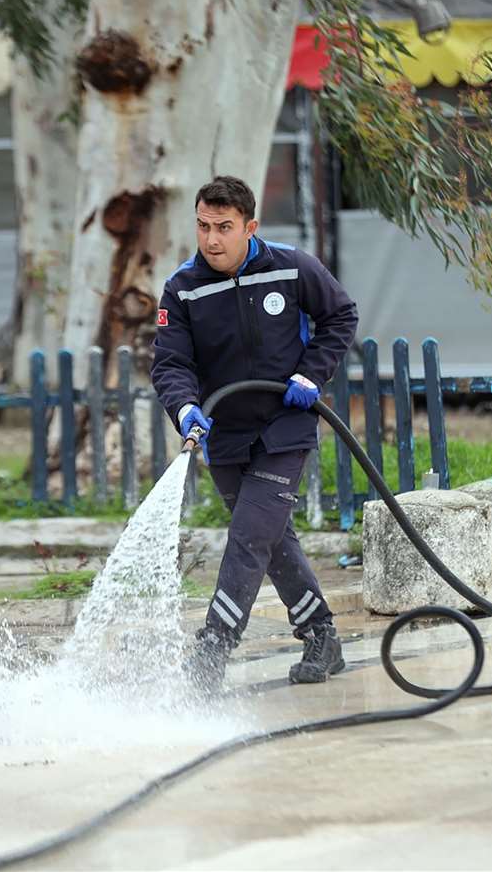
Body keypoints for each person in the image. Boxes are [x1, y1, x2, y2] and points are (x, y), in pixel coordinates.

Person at [151, 175, 359, 692]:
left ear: (250, 227)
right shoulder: (182, 289)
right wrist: (185, 410)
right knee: (271, 538)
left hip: (285, 426)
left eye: (224, 227)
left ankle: (213, 648)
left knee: (248, 537)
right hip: (224, 433)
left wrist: (312, 374)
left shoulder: (292, 266)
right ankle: (321, 634)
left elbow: (341, 315)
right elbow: (170, 364)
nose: (212, 239)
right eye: (203, 226)